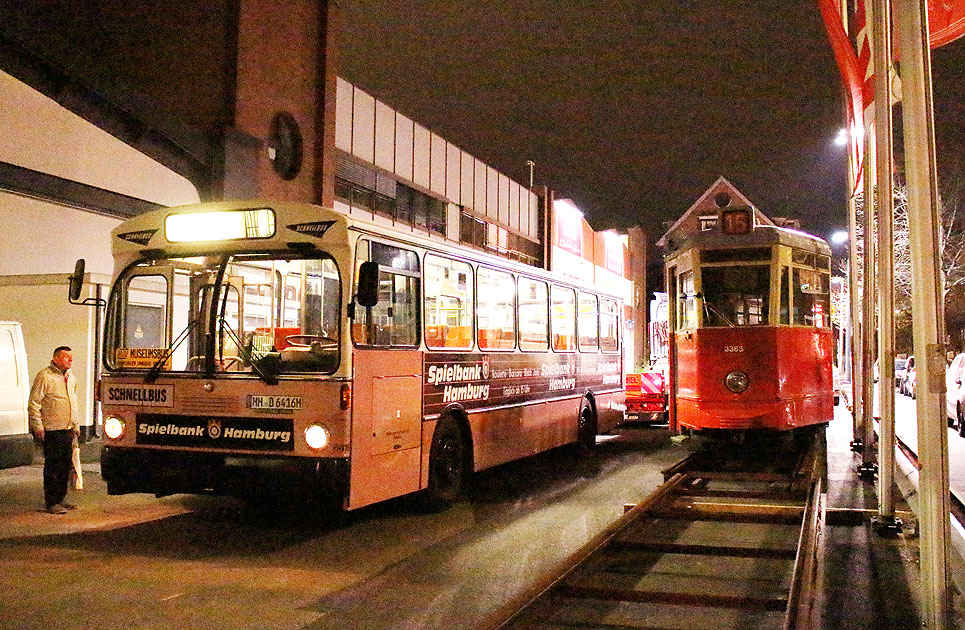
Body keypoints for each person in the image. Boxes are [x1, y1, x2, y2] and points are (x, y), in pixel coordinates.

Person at [28, 346, 81, 514]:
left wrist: (76, 425)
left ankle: (61, 498)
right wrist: (37, 426)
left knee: (66, 465)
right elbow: (34, 404)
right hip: (51, 430)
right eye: (66, 357)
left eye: (71, 357)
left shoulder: (70, 377)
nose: (70, 360)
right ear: (56, 358)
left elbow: (73, 402)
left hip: (67, 429)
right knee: (53, 466)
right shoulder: (45, 376)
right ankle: (51, 502)